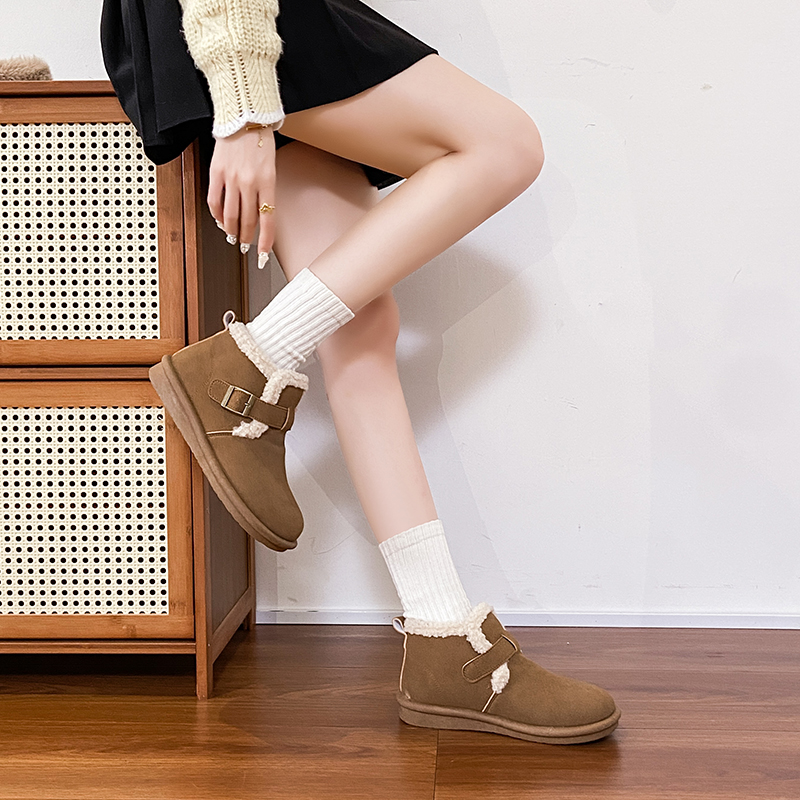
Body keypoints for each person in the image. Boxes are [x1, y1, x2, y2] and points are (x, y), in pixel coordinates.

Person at [107, 0, 620, 744]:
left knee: (360, 327)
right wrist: (245, 108)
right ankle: (250, 363)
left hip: (243, 31)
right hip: (241, 23)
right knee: (504, 144)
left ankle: (442, 637)